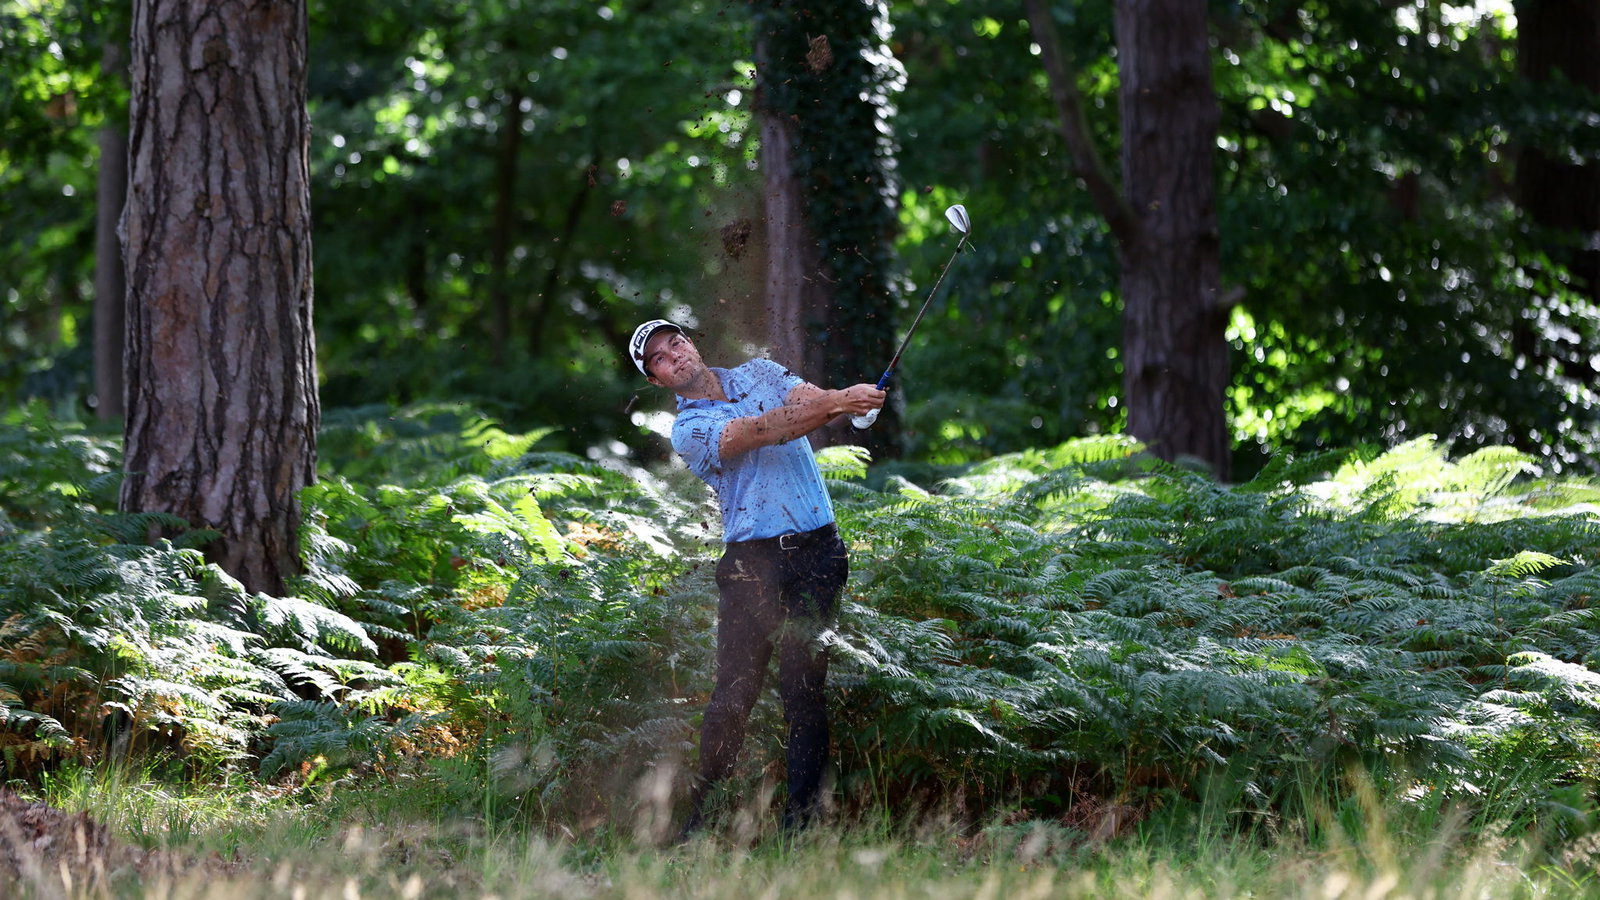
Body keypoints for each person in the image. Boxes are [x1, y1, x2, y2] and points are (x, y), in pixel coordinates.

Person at [628, 318, 886, 838]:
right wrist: (842, 401)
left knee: (803, 689)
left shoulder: (762, 372)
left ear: (691, 342)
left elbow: (812, 400)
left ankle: (802, 827)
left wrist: (851, 404)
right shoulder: (689, 430)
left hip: (818, 554)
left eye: (675, 342)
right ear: (656, 380)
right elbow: (764, 430)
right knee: (733, 696)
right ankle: (702, 822)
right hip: (752, 566)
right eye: (659, 358)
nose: (674, 355)